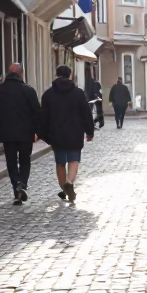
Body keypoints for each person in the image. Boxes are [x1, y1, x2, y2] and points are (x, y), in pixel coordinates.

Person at [0, 62, 40, 205]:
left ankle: (16, 189)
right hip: (26, 134)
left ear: (8, 73)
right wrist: (36, 130)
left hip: (7, 134)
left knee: (11, 162)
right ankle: (22, 183)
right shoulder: (29, 90)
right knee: (24, 160)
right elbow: (37, 112)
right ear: (21, 74)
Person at [39, 65, 95, 202]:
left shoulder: (48, 94)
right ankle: (69, 182)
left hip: (56, 133)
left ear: (56, 75)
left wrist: (43, 134)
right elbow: (86, 114)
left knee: (60, 162)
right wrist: (89, 131)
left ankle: (64, 188)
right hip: (75, 132)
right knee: (74, 159)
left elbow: (43, 117)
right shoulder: (78, 93)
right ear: (70, 75)